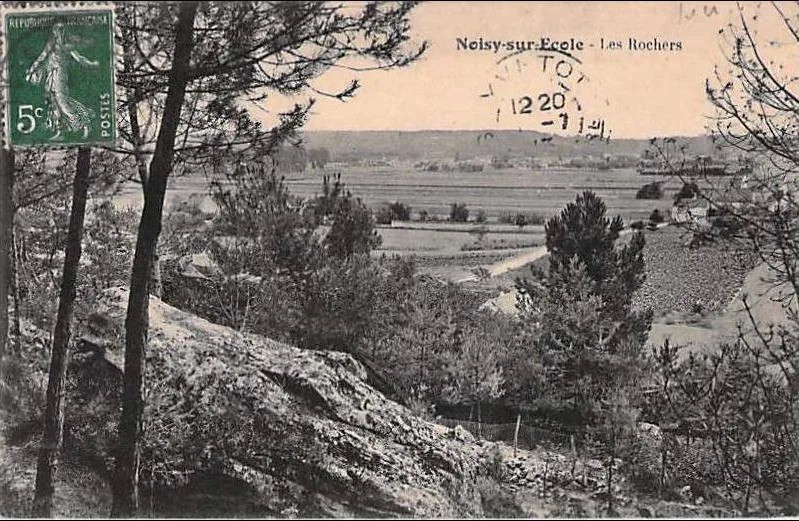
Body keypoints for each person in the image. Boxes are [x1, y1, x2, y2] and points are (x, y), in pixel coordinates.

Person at [25, 22, 99, 140]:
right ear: (54, 31)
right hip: (51, 74)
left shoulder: (67, 45)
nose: (59, 32)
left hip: (59, 75)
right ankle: (60, 131)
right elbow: (42, 57)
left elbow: (79, 58)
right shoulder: (51, 44)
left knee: (62, 101)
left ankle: (84, 123)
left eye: (61, 29)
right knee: (53, 102)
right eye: (57, 29)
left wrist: (91, 64)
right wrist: (32, 69)